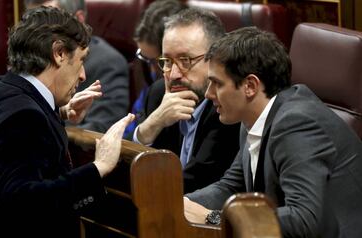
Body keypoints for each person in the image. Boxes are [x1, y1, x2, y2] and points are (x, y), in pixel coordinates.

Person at [0, 7, 134, 238]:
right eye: (81, 60)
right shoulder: (23, 115)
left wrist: (60, 112)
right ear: (59, 53)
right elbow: (23, 202)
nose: (83, 75)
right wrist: (99, 166)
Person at [184, 26, 362, 237]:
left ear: (250, 86)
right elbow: (231, 187)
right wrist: (181, 204)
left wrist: (214, 218)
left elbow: (304, 218)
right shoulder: (252, 118)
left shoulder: (296, 124)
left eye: (216, 84)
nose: (208, 94)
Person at [131, 8, 240, 193]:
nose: (173, 74)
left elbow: (199, 180)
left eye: (185, 60)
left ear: (216, 59)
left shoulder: (227, 105)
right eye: (167, 61)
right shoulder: (159, 94)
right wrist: (150, 126)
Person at [25, 0, 130, 133]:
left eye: (47, 24)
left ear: (78, 20)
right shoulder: (28, 59)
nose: (36, 34)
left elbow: (102, 128)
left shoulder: (108, 62)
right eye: (32, 21)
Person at [124, 0, 188, 136]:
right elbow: (130, 133)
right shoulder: (152, 84)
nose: (153, 70)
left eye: (158, 61)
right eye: (145, 58)